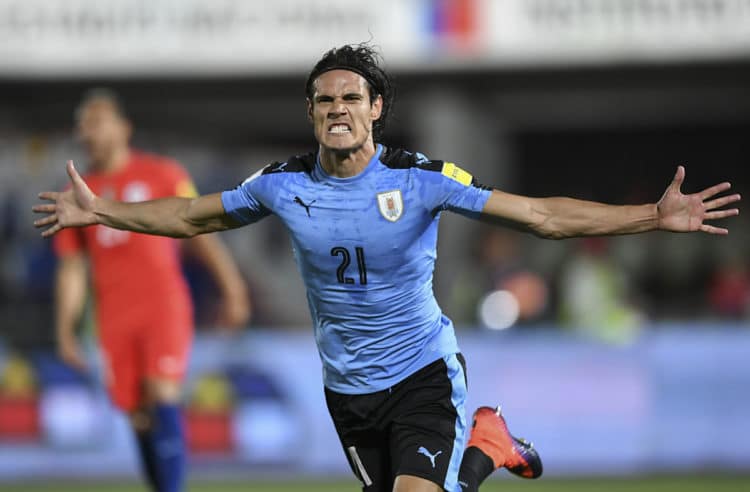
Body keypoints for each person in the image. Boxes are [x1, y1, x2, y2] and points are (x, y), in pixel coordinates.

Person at [34, 45, 740, 492]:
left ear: (375, 110)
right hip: (348, 391)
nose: (337, 109)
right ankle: (488, 446)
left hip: (423, 375)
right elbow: (190, 217)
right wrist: (102, 214)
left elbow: (540, 217)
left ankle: (481, 437)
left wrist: (651, 215)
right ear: (311, 115)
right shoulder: (282, 185)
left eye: (350, 98)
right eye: (323, 100)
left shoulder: (424, 177)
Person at [50, 90, 250, 492]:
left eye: (97, 120)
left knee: (162, 392)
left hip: (163, 305)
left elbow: (201, 233)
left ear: (123, 128)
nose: (88, 130)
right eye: (83, 124)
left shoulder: (162, 172)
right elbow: (72, 267)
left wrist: (233, 288)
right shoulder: (78, 193)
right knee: (140, 415)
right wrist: (65, 330)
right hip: (112, 315)